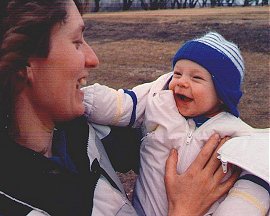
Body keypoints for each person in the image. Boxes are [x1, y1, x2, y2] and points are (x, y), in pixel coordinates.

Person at [0, 0, 241, 215]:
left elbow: (167, 140)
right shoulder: (16, 203)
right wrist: (184, 210)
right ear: (25, 64)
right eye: (76, 42)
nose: (93, 58)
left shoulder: (84, 132)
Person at [83, 32, 270, 215]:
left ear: (222, 94)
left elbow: (255, 181)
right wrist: (82, 99)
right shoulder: (158, 98)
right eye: (177, 73)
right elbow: (121, 104)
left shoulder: (234, 133)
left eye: (196, 78)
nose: (181, 82)